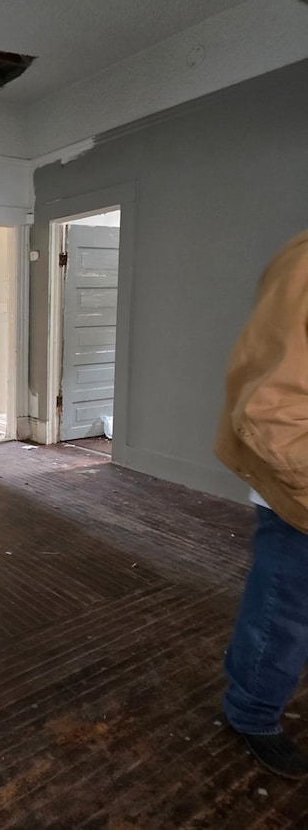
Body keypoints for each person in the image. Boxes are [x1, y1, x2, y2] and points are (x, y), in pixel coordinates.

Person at [215, 230, 308, 778]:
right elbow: (270, 408)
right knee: (284, 614)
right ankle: (252, 711)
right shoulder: (304, 266)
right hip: (295, 488)